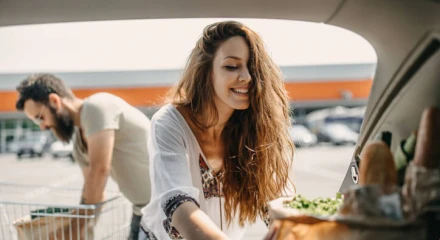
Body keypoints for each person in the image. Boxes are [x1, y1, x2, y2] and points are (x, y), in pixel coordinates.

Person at [139, 21, 295, 240]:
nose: (248, 77)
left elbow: (278, 199)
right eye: (232, 66)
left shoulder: (256, 129)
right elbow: (179, 207)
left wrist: (289, 227)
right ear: (206, 71)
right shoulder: (170, 122)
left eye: (253, 67)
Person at [15, 74, 151, 240]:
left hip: (170, 206)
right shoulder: (79, 146)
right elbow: (94, 192)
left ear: (54, 101)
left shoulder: (97, 108)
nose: (43, 126)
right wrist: (82, 230)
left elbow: (99, 171)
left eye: (39, 118)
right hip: (142, 211)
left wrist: (73, 229)